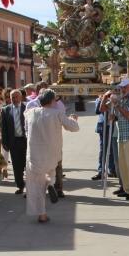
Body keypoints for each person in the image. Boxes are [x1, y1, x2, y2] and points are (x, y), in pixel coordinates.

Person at [24, 89, 80, 222]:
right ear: (51, 101)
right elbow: (73, 127)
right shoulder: (57, 114)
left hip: (34, 154)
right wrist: (74, 119)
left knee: (36, 186)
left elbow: (26, 122)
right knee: (51, 172)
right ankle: (51, 183)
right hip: (51, 154)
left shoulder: (31, 113)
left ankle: (42, 214)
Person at [1, 89, 28, 194]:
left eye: (16, 97)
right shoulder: (5, 110)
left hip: (26, 141)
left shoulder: (27, 108)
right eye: (12, 97)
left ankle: (31, 186)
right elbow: (4, 128)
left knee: (28, 165)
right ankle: (20, 186)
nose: (14, 99)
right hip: (14, 142)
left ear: (21, 97)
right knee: (17, 165)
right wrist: (5, 142)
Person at [92, 89, 117, 181]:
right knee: (103, 149)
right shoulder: (99, 99)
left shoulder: (114, 98)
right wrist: (103, 98)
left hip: (112, 125)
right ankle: (101, 171)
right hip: (103, 126)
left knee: (112, 149)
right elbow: (98, 110)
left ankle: (112, 169)